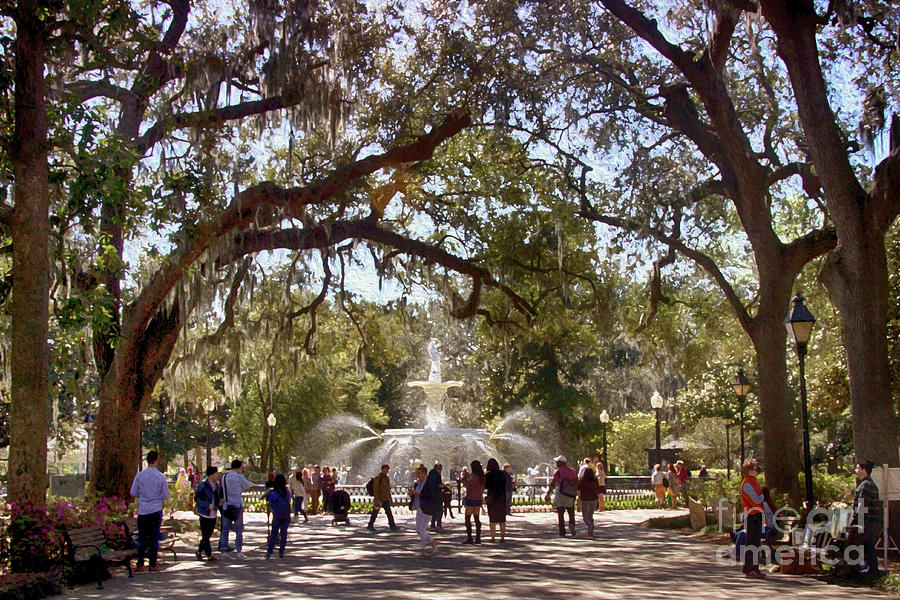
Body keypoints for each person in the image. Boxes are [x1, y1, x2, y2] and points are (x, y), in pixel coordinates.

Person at [129, 450, 170, 572]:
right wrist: (157, 497)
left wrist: (142, 496)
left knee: (142, 537)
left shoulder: (140, 475)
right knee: (153, 537)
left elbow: (133, 492)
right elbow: (166, 495)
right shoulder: (160, 476)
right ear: (157, 460)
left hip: (143, 509)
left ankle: (140, 564)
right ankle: (152, 564)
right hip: (156, 508)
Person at [850, 460, 882, 576]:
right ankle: (871, 570)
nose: (856, 471)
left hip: (866, 522)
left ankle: (862, 570)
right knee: (868, 546)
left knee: (859, 545)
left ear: (864, 470)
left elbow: (862, 505)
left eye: (857, 468)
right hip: (868, 521)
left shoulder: (866, 485)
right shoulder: (868, 484)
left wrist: (857, 521)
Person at [218, 459, 252, 559]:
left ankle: (223, 549)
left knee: (225, 529)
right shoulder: (239, 477)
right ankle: (239, 550)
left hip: (226, 505)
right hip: (237, 505)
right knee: (238, 529)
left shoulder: (224, 477)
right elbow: (247, 486)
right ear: (239, 467)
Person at [740, 458, 766, 579]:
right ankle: (749, 568)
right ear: (749, 470)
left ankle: (754, 568)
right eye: (755, 469)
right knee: (751, 543)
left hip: (756, 515)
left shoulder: (753, 482)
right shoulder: (747, 484)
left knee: (756, 543)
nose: (757, 471)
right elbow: (756, 499)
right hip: (751, 516)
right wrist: (762, 495)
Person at [545, 455, 577, 537]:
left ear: (561, 463)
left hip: (561, 492)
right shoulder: (572, 470)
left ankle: (562, 531)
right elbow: (576, 481)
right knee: (571, 510)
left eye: (557, 462)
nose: (556, 463)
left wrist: (548, 493)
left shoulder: (558, 472)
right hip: (570, 493)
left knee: (560, 511)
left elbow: (553, 483)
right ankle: (572, 524)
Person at [194, 466, 221, 563]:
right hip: (204, 513)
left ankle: (199, 551)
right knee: (205, 535)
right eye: (216, 473)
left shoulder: (217, 485)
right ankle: (209, 555)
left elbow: (217, 497)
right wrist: (206, 505)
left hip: (213, 513)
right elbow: (196, 498)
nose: (217, 475)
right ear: (211, 474)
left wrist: (219, 502)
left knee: (208, 535)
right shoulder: (203, 485)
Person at [410, 463, 438, 555]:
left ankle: (423, 549)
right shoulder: (417, 483)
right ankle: (431, 542)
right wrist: (412, 494)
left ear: (424, 473)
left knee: (422, 530)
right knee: (420, 529)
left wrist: (418, 493)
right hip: (418, 508)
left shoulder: (429, 483)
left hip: (426, 508)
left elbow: (430, 495)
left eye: (419, 473)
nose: (417, 475)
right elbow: (416, 494)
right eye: (417, 473)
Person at [367, 464, 399, 532]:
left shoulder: (386, 478)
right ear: (382, 469)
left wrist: (390, 497)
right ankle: (370, 525)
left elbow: (387, 489)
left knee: (389, 513)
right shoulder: (378, 477)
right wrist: (376, 499)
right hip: (379, 499)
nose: (386, 470)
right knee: (375, 513)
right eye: (385, 469)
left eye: (387, 469)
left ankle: (392, 525)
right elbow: (375, 488)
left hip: (385, 498)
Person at [266, 474, 292, 559]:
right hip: (286, 514)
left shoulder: (273, 492)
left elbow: (271, 503)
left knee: (274, 533)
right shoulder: (286, 491)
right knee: (284, 533)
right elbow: (289, 499)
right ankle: (281, 552)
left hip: (277, 514)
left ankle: (269, 551)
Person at [461, 460, 486, 544]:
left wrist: (463, 478)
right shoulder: (482, 477)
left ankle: (470, 538)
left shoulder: (473, 476)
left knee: (468, 518)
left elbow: (468, 484)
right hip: (478, 498)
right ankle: (478, 537)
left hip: (470, 498)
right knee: (476, 518)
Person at [484, 458, 507, 543]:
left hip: (492, 498)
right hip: (501, 498)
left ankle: (493, 538)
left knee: (492, 519)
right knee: (502, 519)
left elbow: (485, 486)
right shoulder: (502, 474)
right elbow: (505, 484)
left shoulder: (488, 475)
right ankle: (502, 537)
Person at [578, 466, 600, 536]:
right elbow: (597, 488)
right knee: (591, 514)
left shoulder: (583, 480)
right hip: (594, 498)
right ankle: (591, 530)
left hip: (585, 498)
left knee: (585, 516)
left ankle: (589, 525)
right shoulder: (595, 480)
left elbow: (578, 487)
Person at [428, 464, 445, 533]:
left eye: (441, 468)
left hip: (435, 495)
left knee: (435, 511)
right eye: (438, 468)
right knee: (439, 510)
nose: (440, 470)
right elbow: (432, 485)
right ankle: (438, 525)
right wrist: (439, 486)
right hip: (436, 495)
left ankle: (433, 525)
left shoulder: (434, 475)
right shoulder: (434, 476)